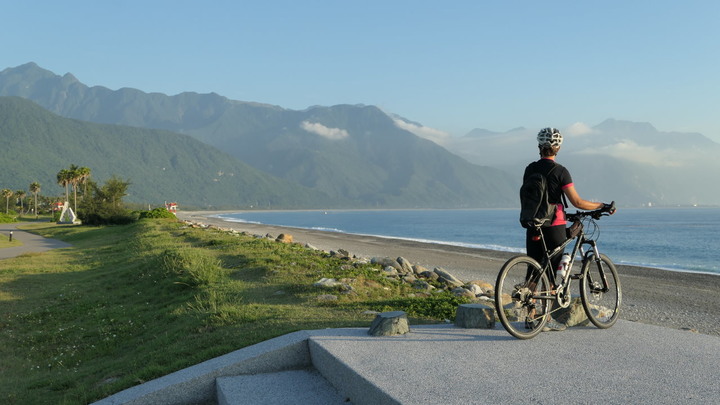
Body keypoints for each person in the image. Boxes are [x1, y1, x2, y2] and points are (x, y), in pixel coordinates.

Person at [524, 127, 614, 331]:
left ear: (539, 147)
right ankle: (545, 319)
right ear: (557, 148)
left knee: (533, 271)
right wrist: (601, 206)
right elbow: (578, 202)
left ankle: (530, 317)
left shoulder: (530, 169)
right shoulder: (560, 171)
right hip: (553, 224)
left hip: (532, 223)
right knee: (550, 273)